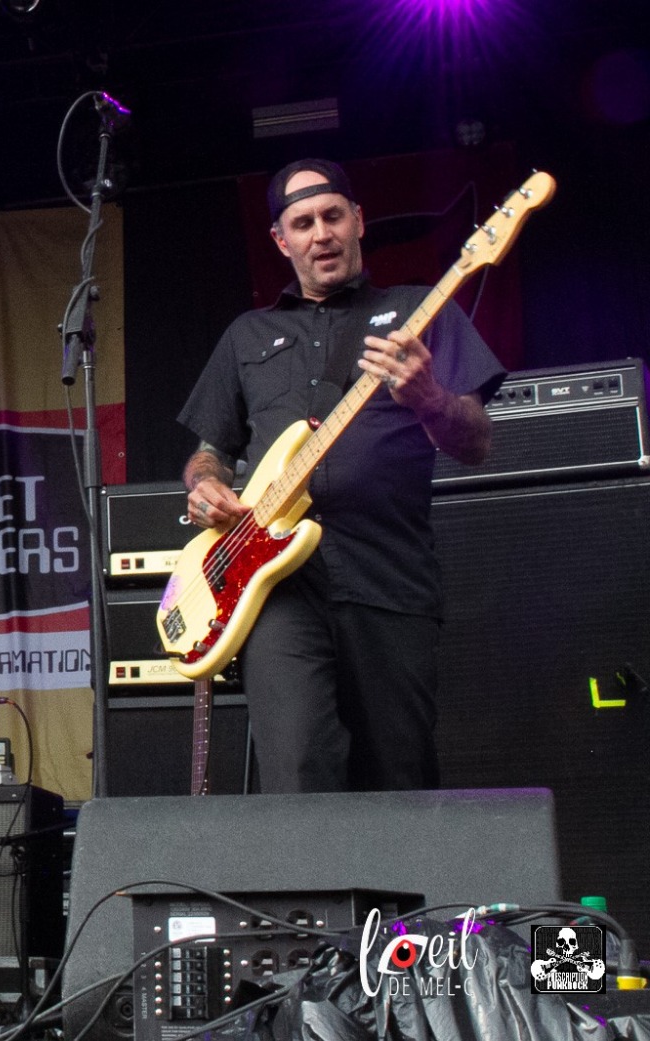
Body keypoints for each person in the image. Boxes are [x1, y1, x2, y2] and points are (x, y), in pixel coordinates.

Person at [176, 158, 503, 793]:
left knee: (398, 778)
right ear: (281, 241)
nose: (321, 234)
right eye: (303, 223)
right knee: (297, 766)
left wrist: (429, 397)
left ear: (358, 221)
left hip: (388, 579)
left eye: (332, 217)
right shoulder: (248, 334)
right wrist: (204, 485)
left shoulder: (417, 311)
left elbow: (477, 443)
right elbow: (210, 451)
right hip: (277, 589)